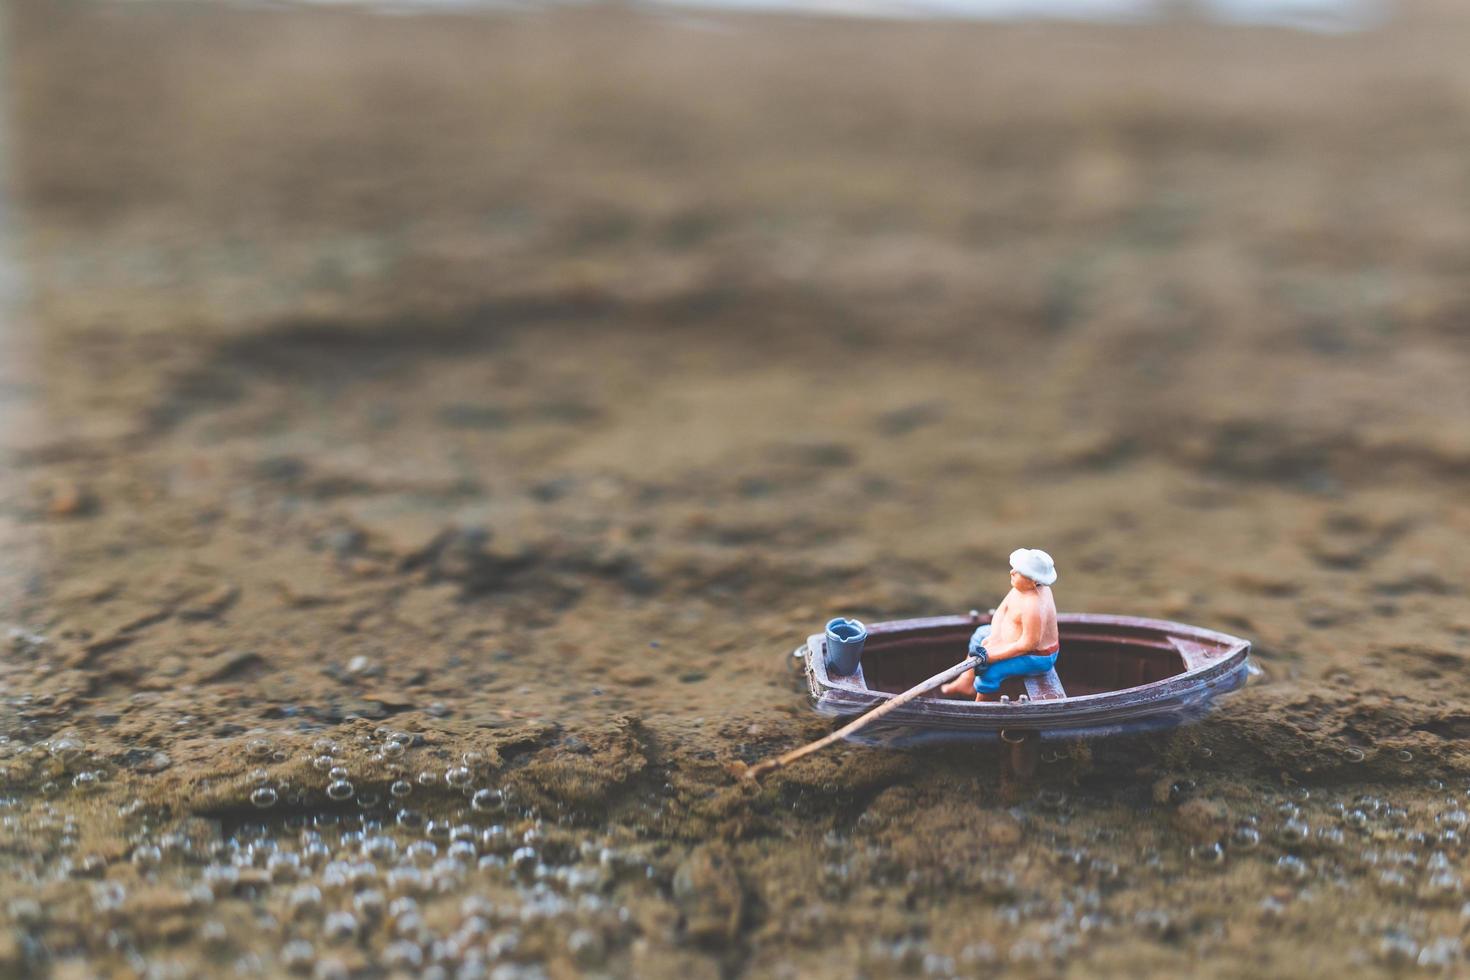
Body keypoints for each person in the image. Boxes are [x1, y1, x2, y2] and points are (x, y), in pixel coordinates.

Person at [940, 549, 1059, 701]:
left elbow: (1028, 644)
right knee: (981, 634)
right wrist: (995, 637)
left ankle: (980, 709)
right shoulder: (1021, 588)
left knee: (991, 671)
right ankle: (966, 682)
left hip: (1036, 656)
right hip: (1012, 640)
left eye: (1019, 571)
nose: (1012, 572)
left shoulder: (1033, 606)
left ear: (1034, 581)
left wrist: (992, 656)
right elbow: (1001, 611)